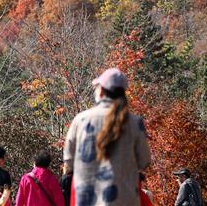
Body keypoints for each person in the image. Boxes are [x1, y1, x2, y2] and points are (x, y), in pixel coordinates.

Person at [64, 67, 152, 206]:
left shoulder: (81, 120)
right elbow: (145, 161)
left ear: (102, 91)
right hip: (124, 200)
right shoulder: (135, 123)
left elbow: (68, 161)